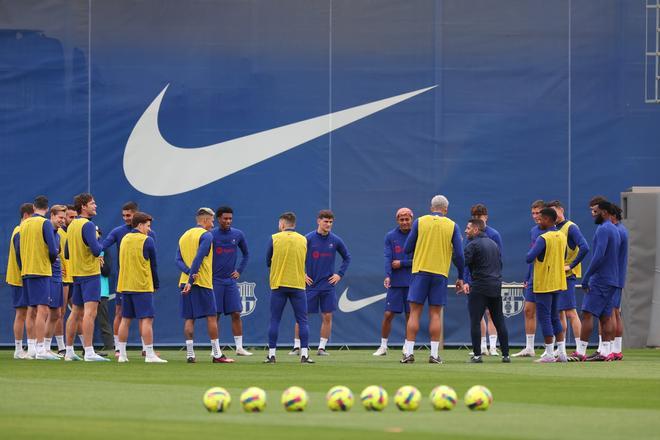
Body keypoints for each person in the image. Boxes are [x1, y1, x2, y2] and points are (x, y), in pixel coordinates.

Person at [401, 195, 464, 364]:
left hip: (420, 270)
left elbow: (407, 248)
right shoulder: (453, 226)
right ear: (446, 209)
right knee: (435, 314)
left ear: (431, 207)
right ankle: (434, 355)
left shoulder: (420, 222)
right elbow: (459, 254)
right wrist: (461, 276)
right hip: (440, 273)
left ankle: (408, 353)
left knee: (414, 313)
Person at [177, 207, 234, 363]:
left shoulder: (184, 236)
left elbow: (178, 260)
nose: (213, 223)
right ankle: (217, 354)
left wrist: (188, 274)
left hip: (184, 282)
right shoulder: (207, 235)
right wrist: (192, 279)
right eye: (212, 220)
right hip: (201, 282)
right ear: (205, 220)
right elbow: (199, 257)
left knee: (189, 318)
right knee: (211, 317)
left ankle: (190, 354)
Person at [290, 210, 351, 356]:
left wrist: (339, 274)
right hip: (310, 285)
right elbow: (296, 257)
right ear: (318, 221)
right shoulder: (308, 239)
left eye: (331, 222)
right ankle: (297, 347)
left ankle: (321, 348)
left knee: (327, 316)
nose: (328, 224)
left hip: (328, 286)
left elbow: (347, 257)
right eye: (326, 221)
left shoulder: (335, 240)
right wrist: (302, 274)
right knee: (302, 315)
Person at [102, 201, 157, 357]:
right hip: (126, 280)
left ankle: (146, 349)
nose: (126, 218)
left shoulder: (149, 234)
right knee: (122, 313)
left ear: (136, 216)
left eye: (129, 215)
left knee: (142, 316)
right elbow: (102, 246)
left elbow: (152, 261)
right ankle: (119, 348)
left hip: (140, 281)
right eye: (124, 215)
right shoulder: (119, 232)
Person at [570, 201, 621, 362]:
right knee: (606, 316)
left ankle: (580, 352)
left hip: (601, 279)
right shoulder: (614, 229)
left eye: (595, 211)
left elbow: (599, 256)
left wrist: (586, 278)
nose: (592, 214)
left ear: (604, 212)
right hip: (612, 279)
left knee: (587, 313)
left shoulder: (603, 229)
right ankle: (605, 352)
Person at [64, 192, 108, 361]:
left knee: (75, 312)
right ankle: (89, 352)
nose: (95, 206)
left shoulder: (72, 225)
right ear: (83, 206)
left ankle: (69, 351)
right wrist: (99, 238)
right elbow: (97, 250)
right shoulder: (89, 226)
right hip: (89, 273)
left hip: (76, 273)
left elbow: (67, 253)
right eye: (92, 203)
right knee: (90, 313)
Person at [116, 212, 166, 363]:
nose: (149, 229)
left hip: (125, 285)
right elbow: (154, 265)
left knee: (125, 319)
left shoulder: (124, 238)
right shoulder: (147, 240)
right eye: (148, 226)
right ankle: (150, 354)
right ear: (140, 225)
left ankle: (122, 355)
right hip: (142, 286)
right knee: (147, 319)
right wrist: (156, 284)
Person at [264, 212, 313, 364]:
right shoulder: (303, 239)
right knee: (303, 321)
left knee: (275, 320)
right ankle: (304, 355)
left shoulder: (274, 238)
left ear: (282, 224)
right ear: (294, 224)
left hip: (279, 285)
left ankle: (272, 355)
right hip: (298, 285)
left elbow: (267, 261)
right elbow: (305, 259)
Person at [461, 218, 510, 363]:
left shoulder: (472, 245)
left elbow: (463, 262)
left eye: (468, 228)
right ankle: (506, 355)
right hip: (495, 285)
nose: (466, 231)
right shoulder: (494, 244)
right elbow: (499, 264)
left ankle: (477, 356)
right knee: (499, 320)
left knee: (475, 321)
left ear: (476, 229)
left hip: (479, 287)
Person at [17, 195, 59, 360]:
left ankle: (32, 348)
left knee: (31, 310)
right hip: (41, 270)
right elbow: (53, 248)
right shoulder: (45, 223)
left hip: (26, 270)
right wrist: (52, 259)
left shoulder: (24, 224)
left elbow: (19, 250)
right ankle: (41, 349)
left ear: (33, 208)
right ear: (47, 209)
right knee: (43, 309)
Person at [525, 208, 568, 363]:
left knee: (545, 318)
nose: (539, 221)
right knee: (555, 316)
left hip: (544, 282)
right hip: (558, 281)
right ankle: (562, 352)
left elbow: (529, 257)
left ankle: (550, 353)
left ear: (549, 220)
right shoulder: (562, 236)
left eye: (542, 218)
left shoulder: (543, 238)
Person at [546, 200, 589, 351]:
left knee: (571, 312)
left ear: (561, 210)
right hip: (556, 277)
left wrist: (571, 265)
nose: (552, 215)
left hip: (567, 276)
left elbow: (585, 247)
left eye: (554, 211)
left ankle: (579, 347)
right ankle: (561, 346)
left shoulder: (571, 227)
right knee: (559, 313)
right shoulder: (553, 228)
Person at [211, 206, 251, 356]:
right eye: (225, 218)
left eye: (230, 219)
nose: (228, 221)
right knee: (215, 315)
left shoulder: (238, 234)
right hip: (215, 281)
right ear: (218, 219)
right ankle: (216, 349)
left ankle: (239, 348)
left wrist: (239, 271)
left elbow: (246, 254)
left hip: (230, 282)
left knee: (236, 313)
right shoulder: (211, 235)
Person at [373, 208, 413, 356]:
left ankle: (407, 346)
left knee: (410, 315)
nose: (404, 222)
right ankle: (383, 346)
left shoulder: (417, 235)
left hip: (412, 282)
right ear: (397, 220)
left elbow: (419, 260)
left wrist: (402, 263)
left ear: (411, 219)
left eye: (407, 219)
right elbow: (387, 257)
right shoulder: (390, 236)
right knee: (388, 314)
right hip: (395, 282)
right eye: (401, 220)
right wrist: (388, 275)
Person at [468, 203, 503, 356]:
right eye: (474, 216)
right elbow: (467, 260)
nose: (477, 219)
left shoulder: (494, 234)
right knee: (478, 314)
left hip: (491, 280)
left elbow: (498, 257)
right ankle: (482, 346)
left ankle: (493, 347)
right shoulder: (470, 235)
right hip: (475, 281)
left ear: (486, 217)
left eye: (480, 216)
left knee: (492, 314)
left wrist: (495, 277)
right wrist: (467, 280)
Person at [512, 199, 544, 357]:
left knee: (554, 313)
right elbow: (532, 257)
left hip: (548, 278)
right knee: (528, 310)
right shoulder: (533, 231)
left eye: (538, 213)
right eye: (533, 213)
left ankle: (556, 347)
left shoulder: (554, 231)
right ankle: (530, 347)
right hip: (533, 278)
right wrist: (527, 276)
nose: (535, 216)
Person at [6, 203, 34, 359]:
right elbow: (19, 254)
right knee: (22, 313)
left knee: (29, 312)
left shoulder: (22, 230)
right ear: (26, 216)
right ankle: (18, 349)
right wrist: (25, 273)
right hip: (20, 278)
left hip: (23, 277)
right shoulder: (20, 231)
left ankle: (30, 347)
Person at [43, 205, 67, 357]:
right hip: (49, 276)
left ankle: (46, 346)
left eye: (64, 218)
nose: (62, 221)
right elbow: (51, 254)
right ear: (52, 215)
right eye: (60, 217)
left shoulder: (57, 234)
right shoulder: (46, 231)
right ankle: (41, 347)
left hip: (58, 276)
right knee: (47, 311)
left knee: (56, 313)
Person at [53, 205, 77, 355]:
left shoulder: (76, 231)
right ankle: (61, 346)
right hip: (63, 278)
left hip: (76, 276)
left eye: (75, 217)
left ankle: (84, 348)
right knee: (60, 313)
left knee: (78, 312)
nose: (72, 220)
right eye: (70, 217)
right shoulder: (58, 233)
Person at [609, 203, 627, 360]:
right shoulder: (620, 230)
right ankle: (616, 349)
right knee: (615, 312)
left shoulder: (617, 232)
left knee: (612, 312)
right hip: (617, 277)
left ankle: (612, 349)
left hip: (613, 278)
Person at [95, 228, 115, 353]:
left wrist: (99, 264)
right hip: (85, 289)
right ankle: (86, 347)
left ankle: (110, 346)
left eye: (97, 233)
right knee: (82, 318)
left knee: (103, 321)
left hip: (101, 291)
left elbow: (107, 271)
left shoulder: (104, 250)